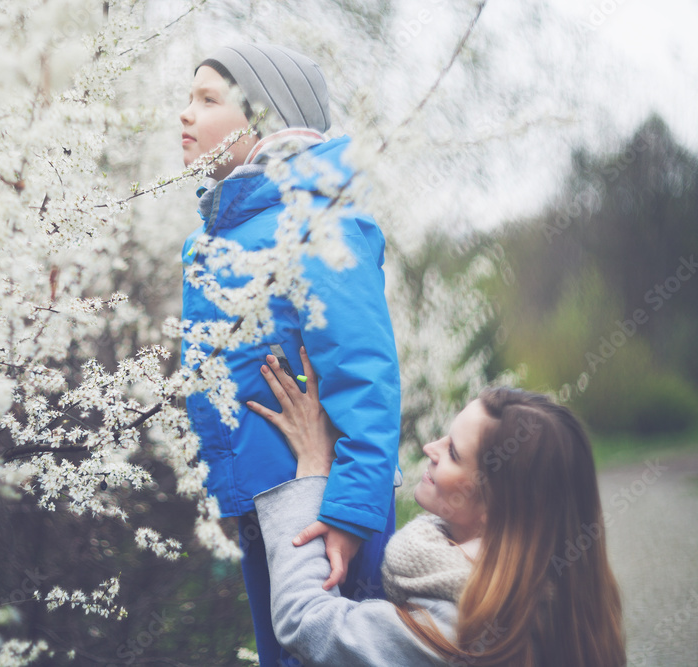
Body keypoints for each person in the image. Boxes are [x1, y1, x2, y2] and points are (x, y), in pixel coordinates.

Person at [178, 44, 401, 665]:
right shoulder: (216, 235)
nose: (185, 114)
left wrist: (352, 513)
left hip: (325, 510)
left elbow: (366, 376)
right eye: (188, 98)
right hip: (266, 505)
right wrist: (229, 495)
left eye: (208, 99)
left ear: (265, 121)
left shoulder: (317, 224)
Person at [247, 349, 626, 666]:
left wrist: (311, 468)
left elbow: (308, 622)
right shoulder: (561, 600)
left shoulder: (464, 631)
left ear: (497, 508)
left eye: (454, 453)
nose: (430, 448)